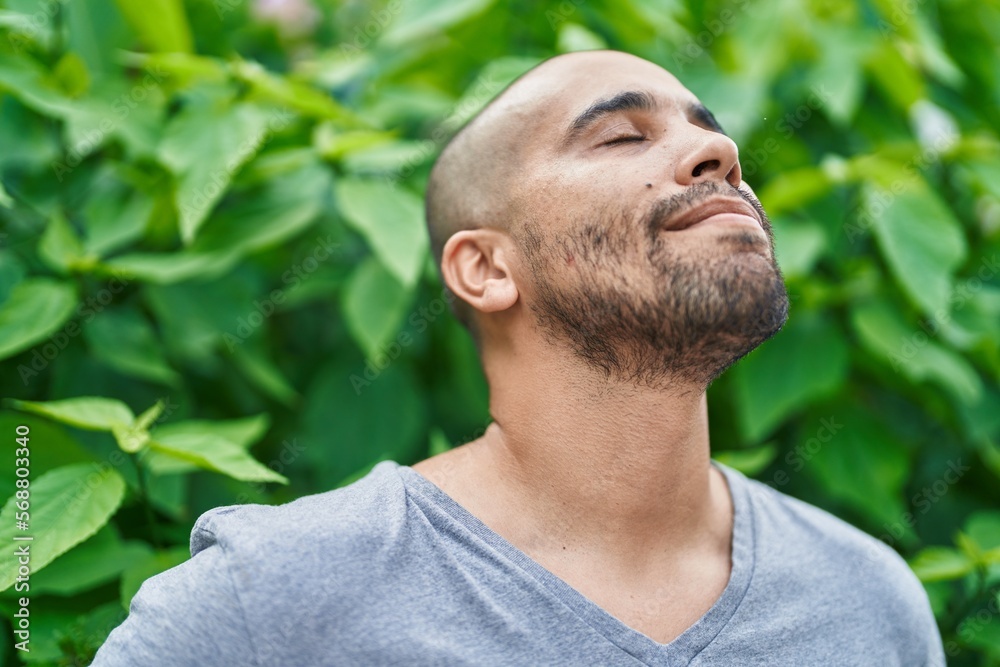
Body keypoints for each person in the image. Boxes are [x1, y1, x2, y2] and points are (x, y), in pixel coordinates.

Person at [93, 49, 945, 666]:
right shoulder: (279, 599)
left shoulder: (868, 599)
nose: (719, 155)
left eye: (713, 136)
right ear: (487, 268)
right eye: (619, 136)